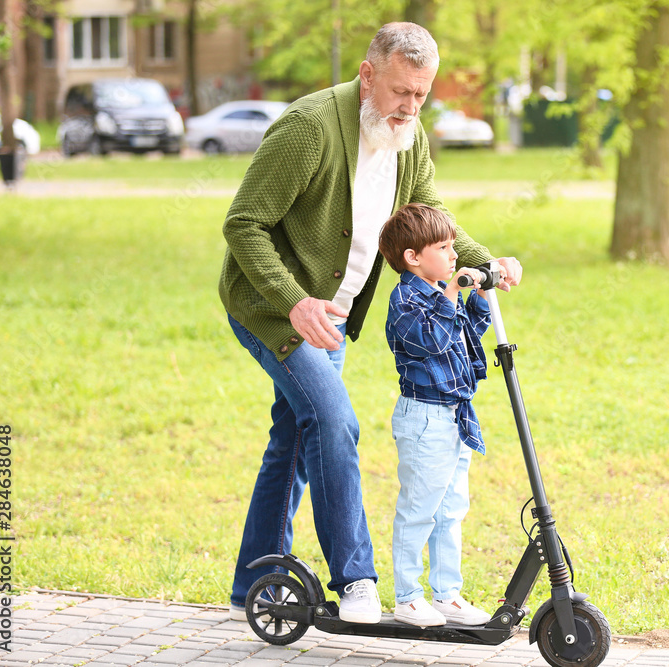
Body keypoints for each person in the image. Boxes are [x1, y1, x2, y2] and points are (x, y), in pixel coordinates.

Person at [218, 22, 522, 623]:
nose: (411, 107)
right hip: (273, 310)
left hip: (328, 318)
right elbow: (243, 224)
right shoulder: (308, 130)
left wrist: (488, 261)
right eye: (401, 92)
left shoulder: (409, 137)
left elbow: (430, 219)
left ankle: (251, 583)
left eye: (422, 94)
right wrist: (293, 301)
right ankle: (355, 580)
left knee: (296, 439)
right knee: (334, 422)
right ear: (367, 75)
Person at [377, 203, 493, 627]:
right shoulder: (406, 299)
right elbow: (432, 340)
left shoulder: (440, 291)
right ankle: (407, 597)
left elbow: (462, 337)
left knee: (451, 509)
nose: (454, 255)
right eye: (443, 247)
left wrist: (477, 299)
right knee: (419, 508)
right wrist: (452, 293)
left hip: (456, 416)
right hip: (424, 418)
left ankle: (446, 593)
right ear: (413, 257)